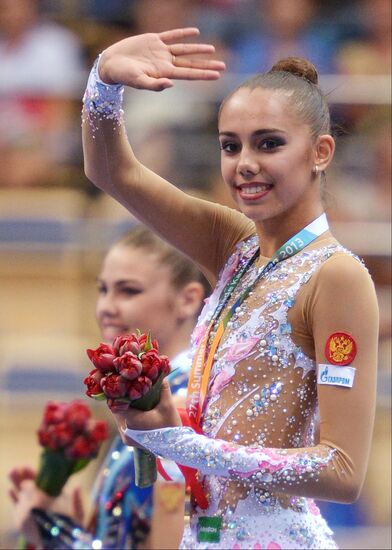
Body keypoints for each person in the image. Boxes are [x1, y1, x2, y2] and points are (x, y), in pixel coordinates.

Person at [81, 28, 379, 549]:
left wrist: (190, 447)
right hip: (206, 536)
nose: (245, 163)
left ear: (321, 152)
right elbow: (112, 171)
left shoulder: (337, 275)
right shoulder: (236, 248)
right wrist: (103, 80)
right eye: (229, 145)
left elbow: (343, 469)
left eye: (269, 144)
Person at [9, 225, 208, 549]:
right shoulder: (147, 401)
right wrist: (81, 531)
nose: (106, 307)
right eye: (103, 290)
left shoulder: (182, 406)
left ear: (187, 300)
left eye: (128, 291)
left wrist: (53, 534)